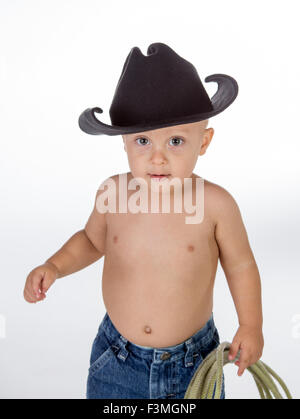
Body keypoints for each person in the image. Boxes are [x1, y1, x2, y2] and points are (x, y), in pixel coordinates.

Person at [23, 43, 264, 399]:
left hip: (191, 365)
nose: (158, 158)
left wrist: (251, 325)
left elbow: (241, 265)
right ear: (124, 143)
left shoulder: (216, 205)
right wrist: (55, 265)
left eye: (176, 141)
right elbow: (92, 241)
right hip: (116, 358)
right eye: (142, 140)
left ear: (204, 141)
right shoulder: (113, 193)